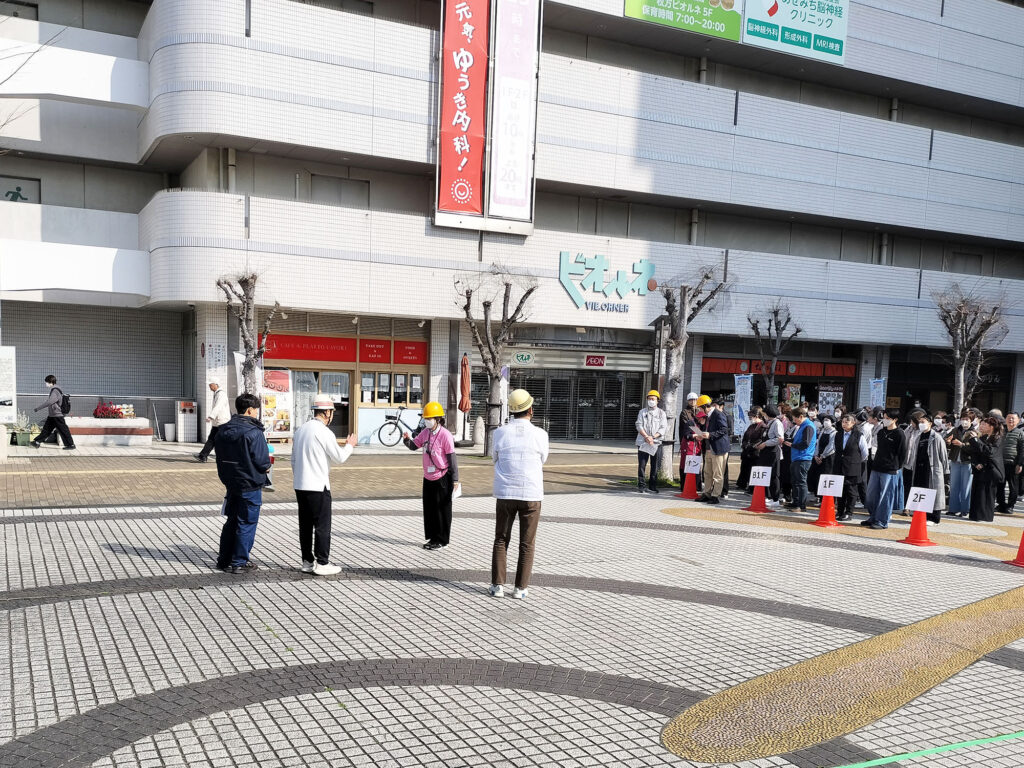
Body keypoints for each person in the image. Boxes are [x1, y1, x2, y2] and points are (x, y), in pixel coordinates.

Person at [490, 389, 549, 600]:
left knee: (501, 539)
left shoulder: (499, 433)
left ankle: (497, 586)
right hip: (531, 493)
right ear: (530, 409)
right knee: (527, 543)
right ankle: (520, 588)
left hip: (505, 492)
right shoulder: (541, 434)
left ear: (511, 411)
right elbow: (543, 459)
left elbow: (494, 457)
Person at [292, 395, 358, 576]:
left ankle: (307, 561)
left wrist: (299, 477)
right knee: (322, 525)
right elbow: (340, 457)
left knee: (305, 525)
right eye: (331, 412)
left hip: (300, 485)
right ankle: (322, 562)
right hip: (318, 486)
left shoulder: (300, 430)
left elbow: (293, 460)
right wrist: (350, 445)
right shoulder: (324, 432)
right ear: (328, 412)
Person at [214, 392, 272, 573]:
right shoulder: (254, 432)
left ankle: (223, 560)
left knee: (231, 521)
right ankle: (239, 562)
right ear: (249, 410)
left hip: (230, 482)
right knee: (246, 522)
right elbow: (262, 462)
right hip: (250, 484)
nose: (256, 413)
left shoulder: (223, 430)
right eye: (255, 410)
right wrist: (267, 466)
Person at [403, 401, 459, 550]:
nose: (427, 421)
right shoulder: (425, 433)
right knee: (429, 510)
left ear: (438, 419)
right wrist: (406, 440)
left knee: (442, 510)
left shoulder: (445, 435)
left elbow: (452, 459)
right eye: (425, 418)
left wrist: (455, 480)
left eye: (429, 418)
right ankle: (433, 538)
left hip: (442, 477)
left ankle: (442, 540)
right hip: (428, 477)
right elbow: (414, 446)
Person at [862, 408, 907, 529]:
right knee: (871, 495)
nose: (885, 420)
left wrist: (897, 467)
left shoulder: (899, 433)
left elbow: (902, 453)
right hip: (877, 466)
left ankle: (882, 521)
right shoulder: (881, 432)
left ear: (895, 420)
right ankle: (873, 517)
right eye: (884, 418)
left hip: (890, 469)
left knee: (886, 496)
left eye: (888, 418)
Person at [905, 413, 949, 524]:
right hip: (919, 468)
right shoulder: (919, 436)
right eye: (920, 422)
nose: (921, 424)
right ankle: (921, 516)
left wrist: (945, 470)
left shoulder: (936, 437)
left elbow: (943, 455)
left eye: (923, 422)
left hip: (932, 468)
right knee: (921, 491)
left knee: (933, 492)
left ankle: (934, 518)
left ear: (930, 423)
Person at [967, 417, 1004, 523]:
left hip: (991, 469)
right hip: (980, 469)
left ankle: (985, 516)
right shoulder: (983, 437)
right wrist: (976, 463)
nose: (981, 426)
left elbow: (990, 452)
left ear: (991, 427)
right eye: (981, 424)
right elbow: (974, 452)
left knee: (987, 494)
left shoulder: (998, 438)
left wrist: (976, 440)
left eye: (984, 424)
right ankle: (975, 515)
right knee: (977, 492)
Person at [833, 412, 868, 521]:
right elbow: (835, 448)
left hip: (853, 467)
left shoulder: (858, 435)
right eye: (843, 422)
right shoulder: (838, 434)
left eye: (847, 422)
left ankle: (849, 512)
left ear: (853, 423)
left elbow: (864, 453)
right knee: (840, 490)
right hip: (839, 466)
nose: (844, 424)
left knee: (851, 491)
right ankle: (840, 511)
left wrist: (855, 461)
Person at [696, 395, 729, 504]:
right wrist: (702, 435)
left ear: (705, 406)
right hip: (709, 448)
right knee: (707, 473)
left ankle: (715, 495)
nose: (700, 411)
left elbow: (724, 429)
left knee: (718, 474)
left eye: (700, 408)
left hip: (718, 449)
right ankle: (707, 493)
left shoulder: (718, 414)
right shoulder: (708, 416)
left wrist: (710, 435)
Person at [945, 409, 977, 518]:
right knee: (954, 486)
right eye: (963, 419)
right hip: (955, 461)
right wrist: (948, 442)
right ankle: (953, 509)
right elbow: (947, 441)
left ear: (971, 421)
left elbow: (975, 448)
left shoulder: (974, 432)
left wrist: (962, 444)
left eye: (967, 419)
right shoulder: (955, 430)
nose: (964, 421)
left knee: (966, 487)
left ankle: (965, 510)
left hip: (967, 462)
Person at [635, 390, 667, 494]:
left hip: (656, 442)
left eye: (653, 399)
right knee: (642, 465)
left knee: (655, 465)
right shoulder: (642, 412)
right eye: (649, 399)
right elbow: (639, 425)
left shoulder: (661, 413)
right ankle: (641, 485)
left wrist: (653, 437)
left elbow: (663, 428)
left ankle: (652, 486)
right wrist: (646, 436)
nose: (651, 401)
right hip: (643, 441)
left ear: (657, 401)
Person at [30, 375, 76, 450]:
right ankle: (37, 442)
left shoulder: (55, 391)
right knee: (46, 430)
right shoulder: (55, 390)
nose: (46, 384)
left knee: (63, 430)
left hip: (57, 415)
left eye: (46, 382)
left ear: (51, 382)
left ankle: (71, 445)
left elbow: (49, 402)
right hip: (53, 415)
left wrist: (38, 408)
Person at [785, 407, 816, 513]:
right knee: (795, 481)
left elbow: (805, 443)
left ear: (801, 417)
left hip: (803, 457)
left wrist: (792, 445)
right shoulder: (803, 426)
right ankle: (796, 502)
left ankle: (801, 505)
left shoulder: (808, 426)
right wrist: (790, 441)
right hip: (797, 457)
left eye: (795, 418)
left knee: (801, 482)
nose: (794, 421)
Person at [755, 405, 785, 506]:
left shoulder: (777, 423)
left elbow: (780, 439)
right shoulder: (770, 423)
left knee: (774, 475)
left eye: (765, 414)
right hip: (766, 452)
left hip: (773, 452)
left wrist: (765, 443)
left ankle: (775, 498)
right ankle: (768, 496)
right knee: (767, 474)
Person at [195, 381, 230, 462]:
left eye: (211, 385)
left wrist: (211, 416)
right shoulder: (217, 394)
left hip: (222, 422)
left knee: (216, 440)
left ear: (216, 385)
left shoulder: (221, 394)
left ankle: (204, 455)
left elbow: (218, 406)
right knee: (212, 439)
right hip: (218, 422)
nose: (209, 387)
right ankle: (203, 455)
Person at [997, 411, 1024, 515]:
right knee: (1000, 485)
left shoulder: (1021, 433)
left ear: (1018, 420)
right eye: (1009, 418)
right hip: (1000, 464)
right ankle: (1001, 505)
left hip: (1013, 464)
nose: (1010, 420)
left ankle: (1010, 506)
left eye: (1013, 418)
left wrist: (1020, 464)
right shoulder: (1001, 432)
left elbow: (1022, 450)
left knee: (1013, 487)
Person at [807, 412, 836, 502]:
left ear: (832, 422)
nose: (825, 422)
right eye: (824, 420)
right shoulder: (822, 431)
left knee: (826, 476)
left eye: (827, 420)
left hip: (828, 457)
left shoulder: (834, 432)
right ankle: (818, 496)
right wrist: (816, 455)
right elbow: (818, 443)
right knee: (817, 476)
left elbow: (831, 446)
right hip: (819, 456)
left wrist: (823, 456)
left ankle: (825, 498)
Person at [678, 392, 704, 491]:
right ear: (688, 401)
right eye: (691, 400)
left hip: (698, 442)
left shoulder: (700, 410)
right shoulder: (684, 412)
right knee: (685, 463)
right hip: (688, 441)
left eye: (694, 399)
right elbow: (688, 425)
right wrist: (700, 434)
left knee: (696, 462)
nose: (693, 401)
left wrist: (701, 435)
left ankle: (697, 485)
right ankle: (684, 485)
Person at [737, 408, 765, 491]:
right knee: (744, 468)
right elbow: (745, 437)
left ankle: (751, 487)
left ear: (757, 416)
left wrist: (752, 446)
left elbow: (761, 439)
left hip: (755, 452)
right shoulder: (751, 426)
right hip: (747, 451)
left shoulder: (763, 426)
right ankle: (742, 484)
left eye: (751, 417)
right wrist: (744, 444)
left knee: (753, 470)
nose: (750, 419)